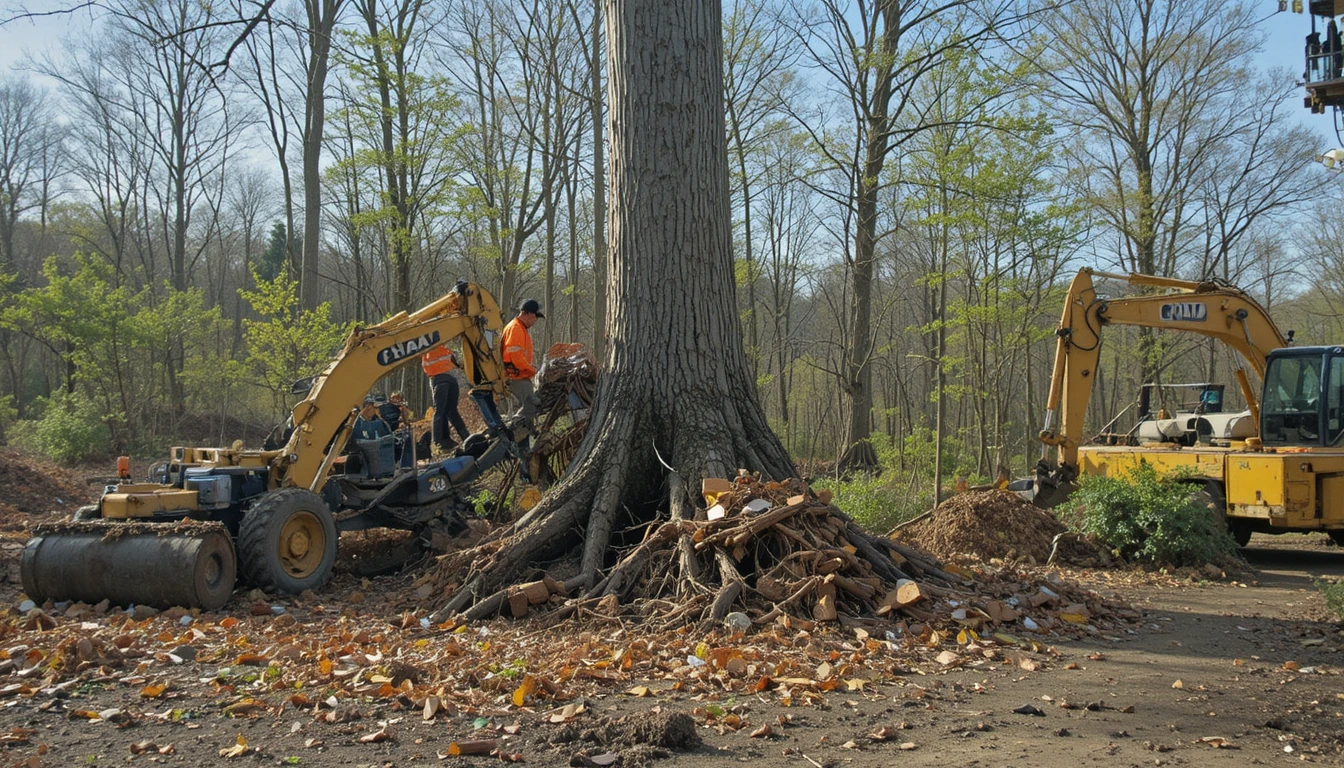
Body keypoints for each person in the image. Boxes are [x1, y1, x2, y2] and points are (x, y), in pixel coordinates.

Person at [500, 298, 543, 424]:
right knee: (525, 415)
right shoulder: (516, 328)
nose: (535, 321)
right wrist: (531, 370)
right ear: (526, 313)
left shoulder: (518, 328)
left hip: (517, 377)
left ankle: (521, 441)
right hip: (518, 379)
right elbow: (515, 356)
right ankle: (522, 443)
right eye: (535, 317)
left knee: (520, 415)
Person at [422, 344, 469, 454]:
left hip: (440, 379)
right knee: (449, 411)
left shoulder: (429, 348)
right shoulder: (442, 347)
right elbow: (455, 361)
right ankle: (464, 437)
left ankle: (441, 441)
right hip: (448, 379)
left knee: (442, 411)